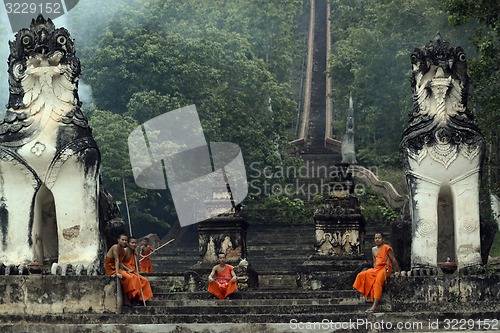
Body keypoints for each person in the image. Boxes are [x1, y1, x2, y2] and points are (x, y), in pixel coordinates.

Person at [353, 232, 401, 312]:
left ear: (383, 239)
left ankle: (374, 306)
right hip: (377, 269)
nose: (377, 240)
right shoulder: (373, 249)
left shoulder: (387, 248)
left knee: (377, 282)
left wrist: (398, 271)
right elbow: (375, 262)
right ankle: (368, 295)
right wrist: (374, 271)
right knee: (362, 275)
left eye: (379, 238)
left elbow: (393, 260)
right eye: (376, 238)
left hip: (385, 269)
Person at [105, 234, 143, 306]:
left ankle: (132, 297)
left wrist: (126, 270)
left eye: (125, 240)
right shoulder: (115, 247)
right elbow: (116, 260)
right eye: (122, 240)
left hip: (118, 268)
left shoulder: (122, 250)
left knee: (133, 276)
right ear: (118, 240)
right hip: (111, 269)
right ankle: (127, 298)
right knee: (129, 277)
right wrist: (117, 273)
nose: (124, 242)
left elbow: (120, 262)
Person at [123, 236, 154, 304]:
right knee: (133, 279)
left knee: (145, 281)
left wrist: (136, 255)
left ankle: (141, 299)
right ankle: (132, 298)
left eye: (135, 243)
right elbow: (119, 263)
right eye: (132, 243)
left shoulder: (134, 252)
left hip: (133, 271)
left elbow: (136, 264)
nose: (134, 244)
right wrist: (127, 269)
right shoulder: (124, 251)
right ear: (128, 243)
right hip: (125, 270)